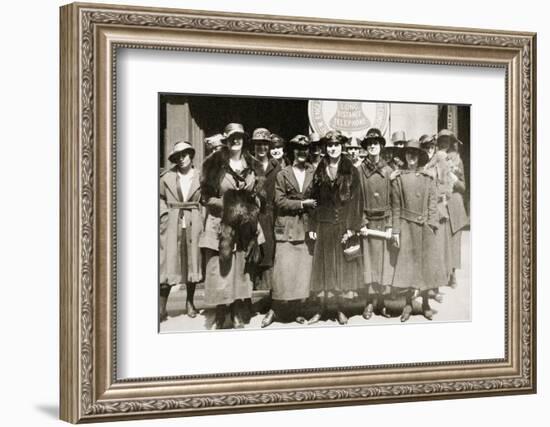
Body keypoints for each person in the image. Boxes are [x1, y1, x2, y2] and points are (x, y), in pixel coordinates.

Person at [199, 123, 264, 329]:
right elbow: (206, 197)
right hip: (220, 225)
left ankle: (237, 310)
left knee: (241, 270)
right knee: (220, 269)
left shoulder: (253, 165)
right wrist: (230, 205)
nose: (236, 141)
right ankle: (221, 311)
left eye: (239, 137)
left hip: (245, 226)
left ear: (244, 140)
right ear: (225, 140)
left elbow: (259, 195)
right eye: (231, 137)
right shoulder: (213, 164)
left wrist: (252, 207)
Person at [308, 130, 363, 325]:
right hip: (324, 225)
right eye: (329, 146)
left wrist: (351, 227)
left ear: (342, 147)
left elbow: (357, 201)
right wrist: (312, 225)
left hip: (342, 225)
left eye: (336, 145)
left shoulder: (350, 169)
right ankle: (322, 309)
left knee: (340, 270)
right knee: (324, 270)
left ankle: (340, 309)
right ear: (325, 148)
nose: (333, 149)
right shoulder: (320, 169)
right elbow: (314, 199)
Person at [261, 135, 317, 327]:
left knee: (302, 272)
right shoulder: (283, 174)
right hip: (286, 227)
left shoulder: (314, 172)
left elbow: (320, 200)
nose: (302, 152)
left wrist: (315, 225)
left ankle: (297, 311)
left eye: (305, 149)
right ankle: (275, 310)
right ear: (292, 151)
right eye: (298, 149)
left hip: (307, 227)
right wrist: (302, 203)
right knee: (282, 271)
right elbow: (280, 201)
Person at [391, 139, 444, 322]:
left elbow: (432, 203)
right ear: (404, 156)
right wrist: (396, 231)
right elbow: (395, 207)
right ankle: (408, 304)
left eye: (415, 153)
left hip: (424, 229)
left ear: (420, 156)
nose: (411, 156)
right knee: (407, 268)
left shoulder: (427, 178)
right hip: (406, 227)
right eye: (408, 153)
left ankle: (426, 303)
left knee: (425, 268)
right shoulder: (398, 178)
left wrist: (432, 225)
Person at [159, 141, 203, 322]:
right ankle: (161, 308)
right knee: (167, 263)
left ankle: (190, 302)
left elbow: (206, 199)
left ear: (191, 155)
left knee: (192, 262)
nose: (182, 159)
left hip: (193, 221)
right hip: (172, 222)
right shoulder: (166, 177)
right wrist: (164, 216)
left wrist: (203, 219)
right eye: (178, 156)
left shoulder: (201, 176)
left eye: (185, 154)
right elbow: (159, 198)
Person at [357, 128, 394, 320]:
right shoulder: (359, 171)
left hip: (383, 223)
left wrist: (389, 225)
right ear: (366, 147)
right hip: (368, 223)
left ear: (381, 146)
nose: (372, 146)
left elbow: (393, 200)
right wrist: (362, 222)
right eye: (369, 143)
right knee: (369, 265)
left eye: (376, 143)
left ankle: (382, 303)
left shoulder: (389, 171)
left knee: (383, 264)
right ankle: (369, 303)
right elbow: (357, 200)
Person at [421, 133, 453, 301]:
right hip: (424, 211)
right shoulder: (421, 164)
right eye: (426, 147)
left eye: (431, 147)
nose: (429, 150)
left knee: (438, 250)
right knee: (426, 251)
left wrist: (440, 197)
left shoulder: (439, 162)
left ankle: (436, 287)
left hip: (438, 210)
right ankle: (425, 287)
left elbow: (447, 186)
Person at [438, 129, 469, 287]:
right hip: (441, 203)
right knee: (442, 240)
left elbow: (463, 187)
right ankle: (443, 273)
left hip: (455, 204)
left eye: (447, 140)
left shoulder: (457, 159)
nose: (444, 142)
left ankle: (453, 274)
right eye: (441, 139)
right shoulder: (436, 157)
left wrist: (453, 177)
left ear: (451, 142)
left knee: (455, 240)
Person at [251, 128, 281, 291]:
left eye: (264, 144)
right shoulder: (247, 165)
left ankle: (270, 296)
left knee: (270, 252)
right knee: (253, 254)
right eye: (257, 145)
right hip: (253, 215)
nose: (261, 148)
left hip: (272, 215)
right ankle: (250, 298)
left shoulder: (277, 166)